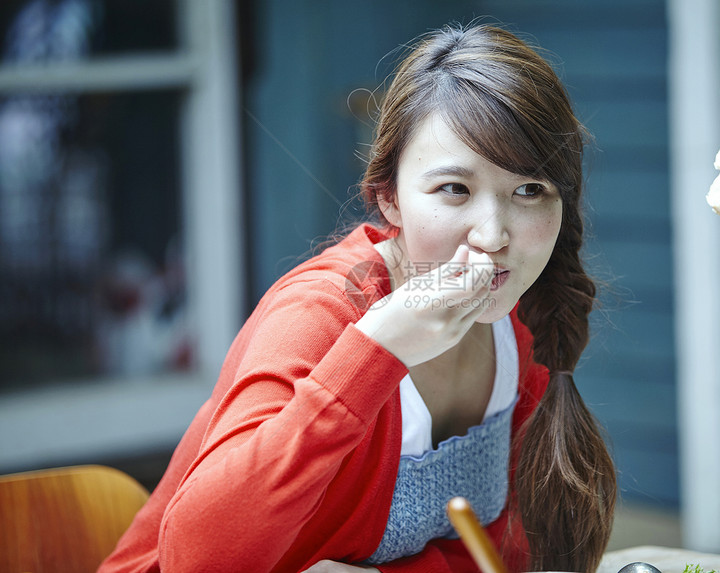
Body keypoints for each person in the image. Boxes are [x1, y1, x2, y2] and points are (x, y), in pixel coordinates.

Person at [98, 22, 617, 573]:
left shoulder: (519, 326)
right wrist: (375, 351)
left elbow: (500, 555)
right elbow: (196, 559)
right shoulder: (321, 313)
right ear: (389, 198)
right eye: (454, 189)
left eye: (529, 190)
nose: (493, 236)